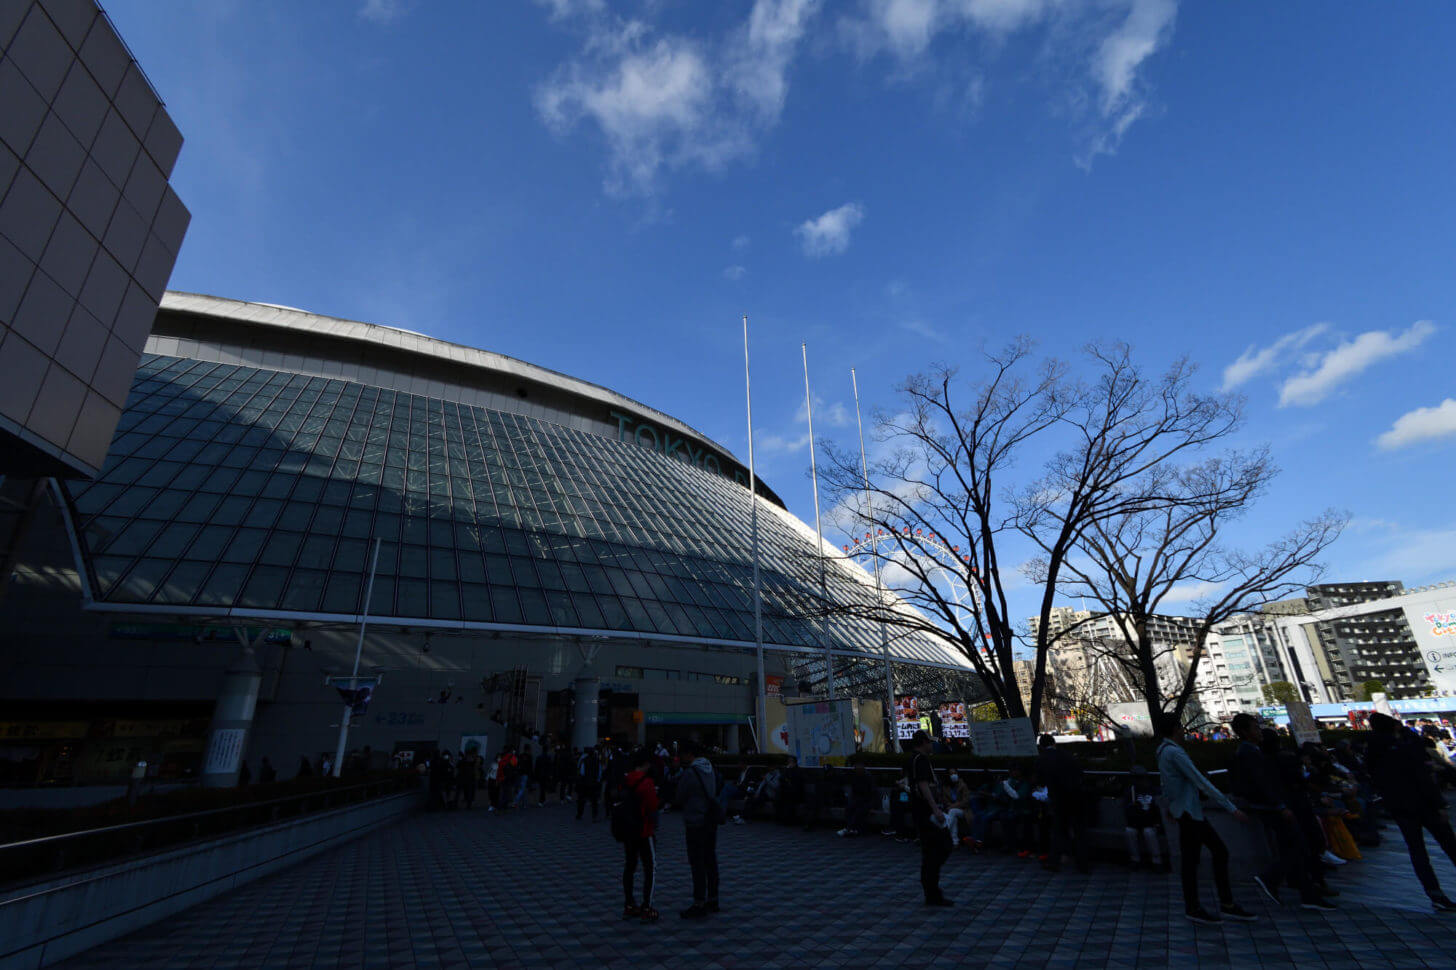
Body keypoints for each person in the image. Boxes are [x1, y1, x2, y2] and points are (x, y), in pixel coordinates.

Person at [1155, 713, 1256, 926]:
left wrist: (1169, 805)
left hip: (1185, 812)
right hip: (1190, 813)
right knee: (1211, 854)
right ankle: (1212, 904)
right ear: (1175, 729)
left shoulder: (1162, 751)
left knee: (1195, 859)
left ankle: (1206, 905)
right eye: (1180, 728)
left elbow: (1167, 782)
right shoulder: (1175, 753)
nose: (1183, 731)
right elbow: (1200, 781)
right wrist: (1231, 808)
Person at [1229, 715, 1332, 911]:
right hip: (1271, 807)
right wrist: (1280, 805)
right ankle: (1274, 879)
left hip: (1271, 806)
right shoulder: (1248, 753)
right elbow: (1263, 783)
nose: (1259, 732)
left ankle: (1305, 891)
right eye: (1255, 728)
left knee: (1293, 847)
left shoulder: (1251, 751)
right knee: (1295, 846)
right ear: (1245, 732)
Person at [1366, 712, 1456, 912]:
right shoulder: (1406, 748)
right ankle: (1438, 896)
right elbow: (1422, 777)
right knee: (1449, 843)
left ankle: (1435, 895)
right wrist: (1439, 804)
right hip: (1423, 803)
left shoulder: (1372, 750)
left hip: (1398, 806)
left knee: (1417, 851)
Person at [674, 739, 723, 919]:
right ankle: (713, 899)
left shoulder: (690, 772)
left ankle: (698, 903)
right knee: (710, 859)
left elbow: (679, 796)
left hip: (695, 821)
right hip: (710, 821)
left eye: (683, 754)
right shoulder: (710, 768)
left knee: (697, 863)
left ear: (689, 754)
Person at [906, 729, 953, 906]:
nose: (932, 745)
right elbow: (923, 784)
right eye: (929, 742)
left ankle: (931, 892)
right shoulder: (921, 760)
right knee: (941, 847)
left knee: (930, 852)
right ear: (923, 743)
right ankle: (932, 891)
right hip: (927, 812)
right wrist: (935, 809)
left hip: (921, 811)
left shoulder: (913, 759)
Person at [616, 747, 661, 923]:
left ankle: (629, 904)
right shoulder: (647, 783)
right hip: (644, 831)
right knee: (650, 868)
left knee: (630, 867)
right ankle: (647, 906)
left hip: (628, 831)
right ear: (646, 764)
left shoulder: (625, 780)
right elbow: (653, 808)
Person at [1037, 735, 1088, 873]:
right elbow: (1080, 772)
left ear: (1041, 746)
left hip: (1059, 799)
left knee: (1058, 830)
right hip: (1077, 796)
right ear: (1053, 743)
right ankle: (1083, 864)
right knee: (1079, 831)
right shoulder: (1066, 755)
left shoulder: (1043, 759)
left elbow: (1040, 780)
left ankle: (1054, 862)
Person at [1121, 765, 1169, 871]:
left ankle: (1157, 861)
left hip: (1152, 822)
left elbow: (1160, 808)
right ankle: (1135, 859)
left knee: (1149, 832)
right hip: (1136, 822)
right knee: (1129, 831)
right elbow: (1126, 809)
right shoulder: (1130, 792)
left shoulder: (1154, 790)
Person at [838, 762, 878, 837]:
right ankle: (852, 829)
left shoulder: (868, 777)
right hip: (858, 799)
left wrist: (872, 806)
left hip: (867, 800)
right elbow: (854, 792)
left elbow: (873, 793)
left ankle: (849, 828)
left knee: (859, 811)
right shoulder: (855, 777)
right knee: (849, 808)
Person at [943, 770, 973, 845]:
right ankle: (955, 842)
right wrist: (949, 805)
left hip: (964, 810)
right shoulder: (946, 787)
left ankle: (943, 833)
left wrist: (953, 805)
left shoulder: (963, 785)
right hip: (951, 810)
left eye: (955, 773)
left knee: (953, 811)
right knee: (954, 816)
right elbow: (944, 800)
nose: (953, 775)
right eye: (951, 774)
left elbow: (966, 801)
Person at [577, 745, 603, 821]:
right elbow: (600, 772)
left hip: (585, 782)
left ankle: (579, 814)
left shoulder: (584, 760)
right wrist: (598, 780)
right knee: (594, 801)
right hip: (594, 782)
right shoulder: (597, 761)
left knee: (581, 799)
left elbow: (582, 772)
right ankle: (594, 815)